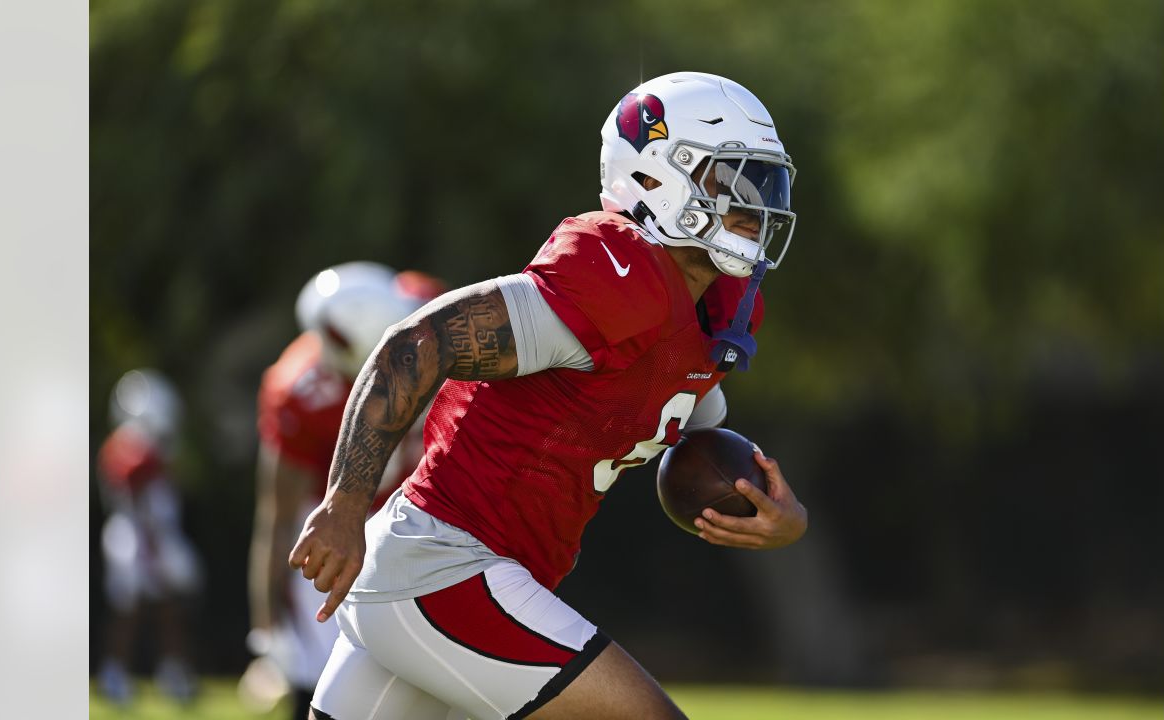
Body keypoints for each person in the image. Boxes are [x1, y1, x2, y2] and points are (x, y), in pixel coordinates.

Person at [293, 71, 809, 720]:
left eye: (764, 182)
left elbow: (695, 429)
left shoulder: (727, 308)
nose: (753, 205)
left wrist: (769, 507)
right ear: (652, 177)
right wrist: (343, 502)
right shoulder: (617, 275)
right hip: (440, 564)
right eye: (731, 181)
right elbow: (417, 343)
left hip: (454, 575)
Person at [246, 263, 445, 720]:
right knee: (324, 669)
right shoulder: (298, 389)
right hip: (340, 522)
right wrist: (266, 628)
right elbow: (277, 514)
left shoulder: (430, 306)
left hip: (428, 506)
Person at [95, 369, 203, 705]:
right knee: (128, 610)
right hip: (134, 536)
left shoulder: (155, 447)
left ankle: (173, 672)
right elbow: (132, 484)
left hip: (155, 535)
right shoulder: (126, 445)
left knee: (169, 606)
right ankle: (114, 674)